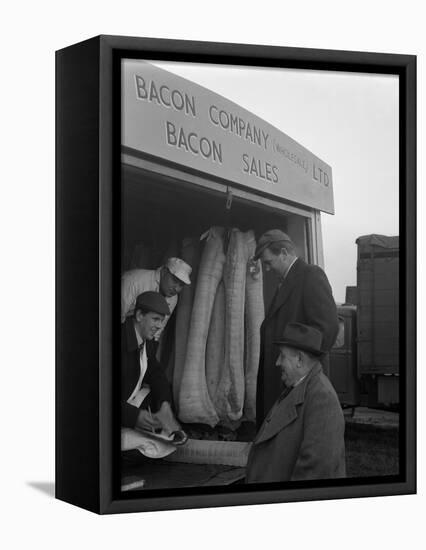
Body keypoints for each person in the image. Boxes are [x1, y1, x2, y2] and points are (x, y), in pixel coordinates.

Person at [254, 229, 339, 427]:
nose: (266, 269)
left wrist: (301, 370)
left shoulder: (311, 275)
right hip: (284, 380)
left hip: (297, 383)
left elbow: (327, 328)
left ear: (283, 253)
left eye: (268, 262)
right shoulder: (285, 283)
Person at [246, 323, 346, 483]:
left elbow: (316, 472)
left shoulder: (322, 399)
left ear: (299, 359)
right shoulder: (298, 387)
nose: (277, 362)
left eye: (282, 356)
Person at [121, 291, 187, 444]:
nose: (159, 326)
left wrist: (165, 405)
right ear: (139, 316)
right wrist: (133, 416)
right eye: (155, 319)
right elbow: (102, 395)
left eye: (161, 321)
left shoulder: (146, 342)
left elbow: (156, 374)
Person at [121, 257, 192, 333]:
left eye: (181, 285)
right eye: (174, 280)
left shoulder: (173, 297)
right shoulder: (133, 280)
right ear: (164, 272)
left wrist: (152, 343)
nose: (177, 289)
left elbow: (159, 328)